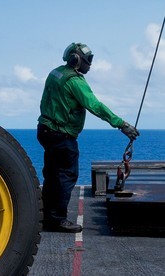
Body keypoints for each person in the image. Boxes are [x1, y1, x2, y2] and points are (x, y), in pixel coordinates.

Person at [37, 43, 139, 233]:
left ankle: (46, 216)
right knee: (66, 175)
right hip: (61, 134)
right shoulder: (75, 81)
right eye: (88, 60)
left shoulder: (56, 73)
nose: (90, 64)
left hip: (45, 130)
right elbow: (95, 106)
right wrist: (122, 124)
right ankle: (57, 220)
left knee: (52, 175)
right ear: (76, 60)